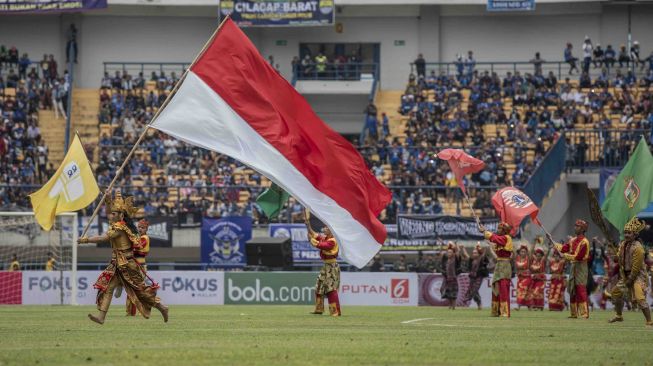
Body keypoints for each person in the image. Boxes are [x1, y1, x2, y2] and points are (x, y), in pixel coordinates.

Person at [78, 190, 168, 325]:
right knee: (108, 288)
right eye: (111, 212)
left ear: (121, 215)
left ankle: (161, 307)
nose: (110, 215)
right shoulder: (117, 224)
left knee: (140, 292)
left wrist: (86, 240)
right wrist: (108, 200)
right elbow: (109, 213)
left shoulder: (120, 228)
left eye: (114, 213)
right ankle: (101, 317)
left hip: (127, 265)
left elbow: (103, 238)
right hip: (117, 263)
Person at [608, 217, 652, 326]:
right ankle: (619, 316)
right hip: (626, 275)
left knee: (640, 298)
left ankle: (649, 321)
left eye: (629, 233)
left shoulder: (638, 248)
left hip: (638, 276)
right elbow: (619, 258)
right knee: (615, 293)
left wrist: (630, 280)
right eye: (625, 233)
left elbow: (636, 268)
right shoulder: (623, 244)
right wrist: (615, 257)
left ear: (635, 235)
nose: (626, 235)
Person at [551, 219, 590, 319]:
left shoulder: (585, 242)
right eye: (575, 226)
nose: (575, 228)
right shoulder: (572, 240)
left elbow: (578, 257)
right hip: (573, 266)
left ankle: (584, 313)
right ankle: (573, 313)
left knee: (580, 289)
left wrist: (565, 256)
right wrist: (553, 241)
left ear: (583, 229)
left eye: (578, 226)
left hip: (581, 266)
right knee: (572, 289)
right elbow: (564, 248)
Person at [305, 210, 341, 317]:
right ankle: (319, 309)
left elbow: (322, 245)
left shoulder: (333, 241)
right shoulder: (326, 237)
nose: (324, 228)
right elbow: (315, 235)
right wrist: (308, 226)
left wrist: (311, 240)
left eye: (326, 227)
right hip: (326, 266)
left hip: (332, 266)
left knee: (331, 289)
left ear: (331, 229)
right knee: (319, 286)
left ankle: (335, 311)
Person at [479, 222, 513, 317]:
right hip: (499, 265)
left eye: (499, 229)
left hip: (505, 266)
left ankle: (505, 312)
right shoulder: (500, 240)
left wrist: (485, 231)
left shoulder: (507, 238)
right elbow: (494, 242)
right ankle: (496, 311)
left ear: (504, 231)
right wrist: (484, 232)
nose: (497, 230)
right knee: (495, 288)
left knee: (503, 288)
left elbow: (495, 238)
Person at [126, 218, 152, 316]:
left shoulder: (145, 238)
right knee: (132, 288)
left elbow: (138, 247)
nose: (140, 229)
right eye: (139, 227)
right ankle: (130, 312)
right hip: (134, 265)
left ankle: (143, 309)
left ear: (146, 229)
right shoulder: (138, 237)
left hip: (140, 266)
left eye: (143, 228)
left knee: (138, 289)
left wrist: (129, 244)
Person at [461, 243, 489, 310]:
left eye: (475, 253)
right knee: (473, 291)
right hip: (472, 277)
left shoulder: (481, 259)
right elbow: (466, 255)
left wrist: (483, 247)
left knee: (474, 290)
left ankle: (476, 302)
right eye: (473, 253)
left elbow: (484, 255)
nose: (474, 254)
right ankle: (479, 303)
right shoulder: (472, 260)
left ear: (479, 253)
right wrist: (463, 248)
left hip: (479, 277)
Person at [440, 243, 462, 310]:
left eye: (450, 252)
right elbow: (441, 254)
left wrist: (454, 245)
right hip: (447, 278)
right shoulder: (446, 260)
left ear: (453, 253)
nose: (448, 253)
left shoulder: (455, 258)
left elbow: (458, 252)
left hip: (453, 278)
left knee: (453, 292)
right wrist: (443, 244)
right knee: (446, 291)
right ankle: (450, 304)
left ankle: (453, 306)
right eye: (448, 252)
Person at [528, 246, 548, 310]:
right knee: (534, 292)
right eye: (537, 256)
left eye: (539, 256)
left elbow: (546, 256)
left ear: (541, 256)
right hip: (534, 279)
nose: (538, 257)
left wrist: (549, 249)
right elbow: (530, 253)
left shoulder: (543, 261)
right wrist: (534, 244)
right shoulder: (533, 262)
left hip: (541, 279)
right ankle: (539, 306)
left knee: (537, 292)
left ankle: (537, 306)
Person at [514, 244, 532, 310]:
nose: (523, 253)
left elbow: (532, 251)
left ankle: (518, 306)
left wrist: (534, 243)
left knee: (522, 289)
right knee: (524, 292)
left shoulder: (528, 258)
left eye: (524, 252)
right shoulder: (517, 258)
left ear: (526, 252)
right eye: (522, 251)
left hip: (527, 277)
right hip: (520, 277)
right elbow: (514, 252)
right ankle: (529, 306)